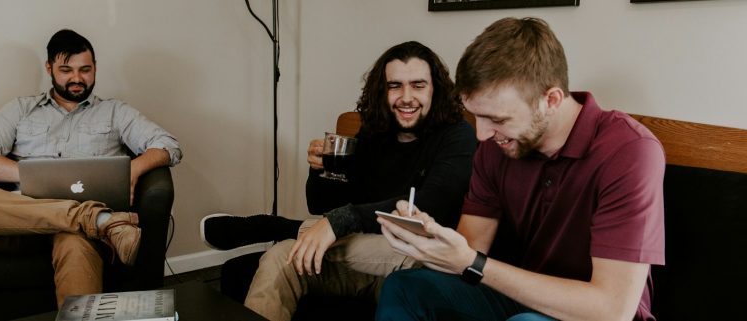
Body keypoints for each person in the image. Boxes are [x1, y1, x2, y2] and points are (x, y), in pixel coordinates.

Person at [375, 17, 665, 321]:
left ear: (550, 100)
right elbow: (469, 250)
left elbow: (611, 310)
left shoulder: (629, 151)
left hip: (593, 313)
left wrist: (473, 263)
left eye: (498, 120)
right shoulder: (494, 147)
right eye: (477, 117)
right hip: (521, 299)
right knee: (405, 288)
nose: (482, 134)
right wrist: (431, 241)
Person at [201, 41, 477, 321]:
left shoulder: (457, 136)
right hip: (367, 255)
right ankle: (283, 230)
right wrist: (321, 170)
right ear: (383, 91)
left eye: (418, 85)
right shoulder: (376, 132)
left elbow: (433, 205)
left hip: (419, 258)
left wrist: (339, 221)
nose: (406, 97)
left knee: (321, 237)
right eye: (395, 86)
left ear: (436, 89)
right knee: (281, 258)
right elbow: (321, 204)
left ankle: (275, 227)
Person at [0, 29, 182, 307]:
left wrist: (135, 169)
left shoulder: (115, 112)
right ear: (49, 68)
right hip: (21, 224)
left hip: (77, 234)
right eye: (66, 70)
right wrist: (28, 173)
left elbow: (168, 145)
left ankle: (87, 221)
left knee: (75, 244)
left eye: (85, 70)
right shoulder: (21, 109)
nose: (77, 78)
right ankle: (97, 219)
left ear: (95, 69)